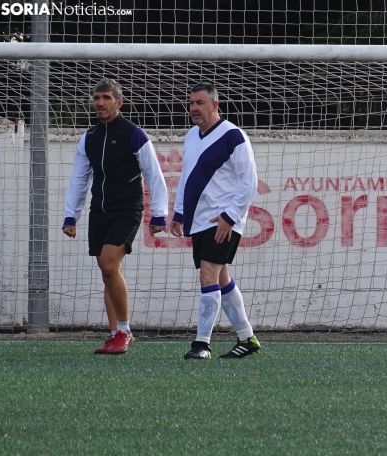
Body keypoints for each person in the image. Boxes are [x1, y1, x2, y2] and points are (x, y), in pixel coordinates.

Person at [63, 78, 168, 354]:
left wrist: (159, 214)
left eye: (106, 97)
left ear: (118, 103)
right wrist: (70, 216)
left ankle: (124, 330)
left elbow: (154, 176)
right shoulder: (89, 138)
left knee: (109, 265)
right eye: (97, 97)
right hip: (99, 212)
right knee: (107, 272)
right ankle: (115, 333)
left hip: (127, 211)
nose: (100, 102)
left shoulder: (135, 134)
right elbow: (79, 179)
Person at [170, 83, 260, 360]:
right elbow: (187, 177)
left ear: (215, 105)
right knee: (221, 279)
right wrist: (179, 212)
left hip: (223, 219)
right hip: (199, 220)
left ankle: (202, 344)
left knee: (207, 272)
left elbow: (250, 181)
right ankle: (247, 339)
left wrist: (230, 217)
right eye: (191, 103)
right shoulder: (191, 136)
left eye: (199, 102)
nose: (193, 108)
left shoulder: (233, 136)